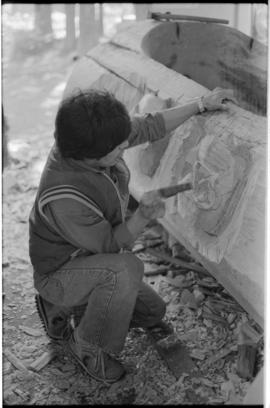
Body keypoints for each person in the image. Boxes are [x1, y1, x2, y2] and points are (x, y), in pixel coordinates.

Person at [29, 87, 236, 383]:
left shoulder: (92, 141)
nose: (125, 146)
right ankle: (86, 345)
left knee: (153, 312)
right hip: (60, 270)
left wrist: (201, 104)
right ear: (90, 157)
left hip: (88, 259)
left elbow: (149, 125)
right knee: (124, 270)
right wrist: (143, 216)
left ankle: (71, 306)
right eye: (118, 149)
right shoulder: (65, 198)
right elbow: (112, 245)